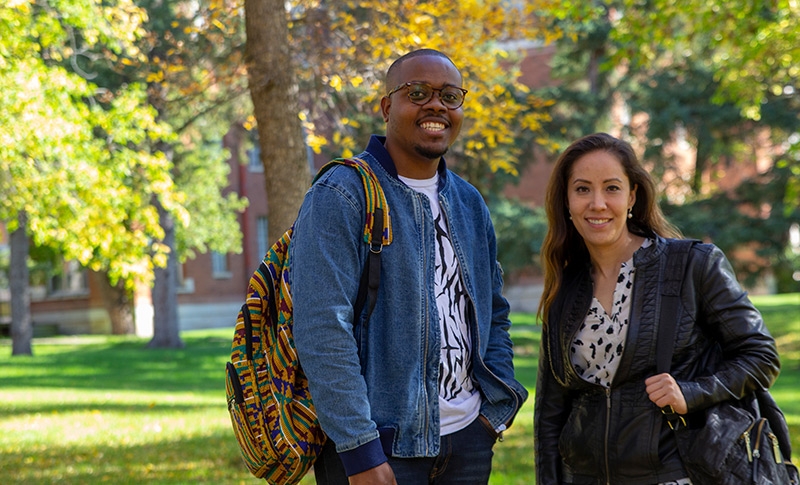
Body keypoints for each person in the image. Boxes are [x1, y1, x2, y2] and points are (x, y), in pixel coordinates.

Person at [291, 49, 528, 485]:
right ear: (387, 107)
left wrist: (492, 415)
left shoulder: (469, 202)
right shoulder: (342, 194)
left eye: (450, 96)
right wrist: (359, 450)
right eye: (417, 92)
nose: (435, 105)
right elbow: (322, 328)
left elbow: (493, 312)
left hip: (468, 442)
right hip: (381, 449)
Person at [533, 132, 781, 484]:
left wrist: (692, 392)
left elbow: (760, 355)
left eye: (612, 188)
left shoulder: (692, 265)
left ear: (632, 195)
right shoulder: (565, 287)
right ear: (567, 200)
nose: (598, 203)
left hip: (674, 474)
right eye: (583, 189)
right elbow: (549, 413)